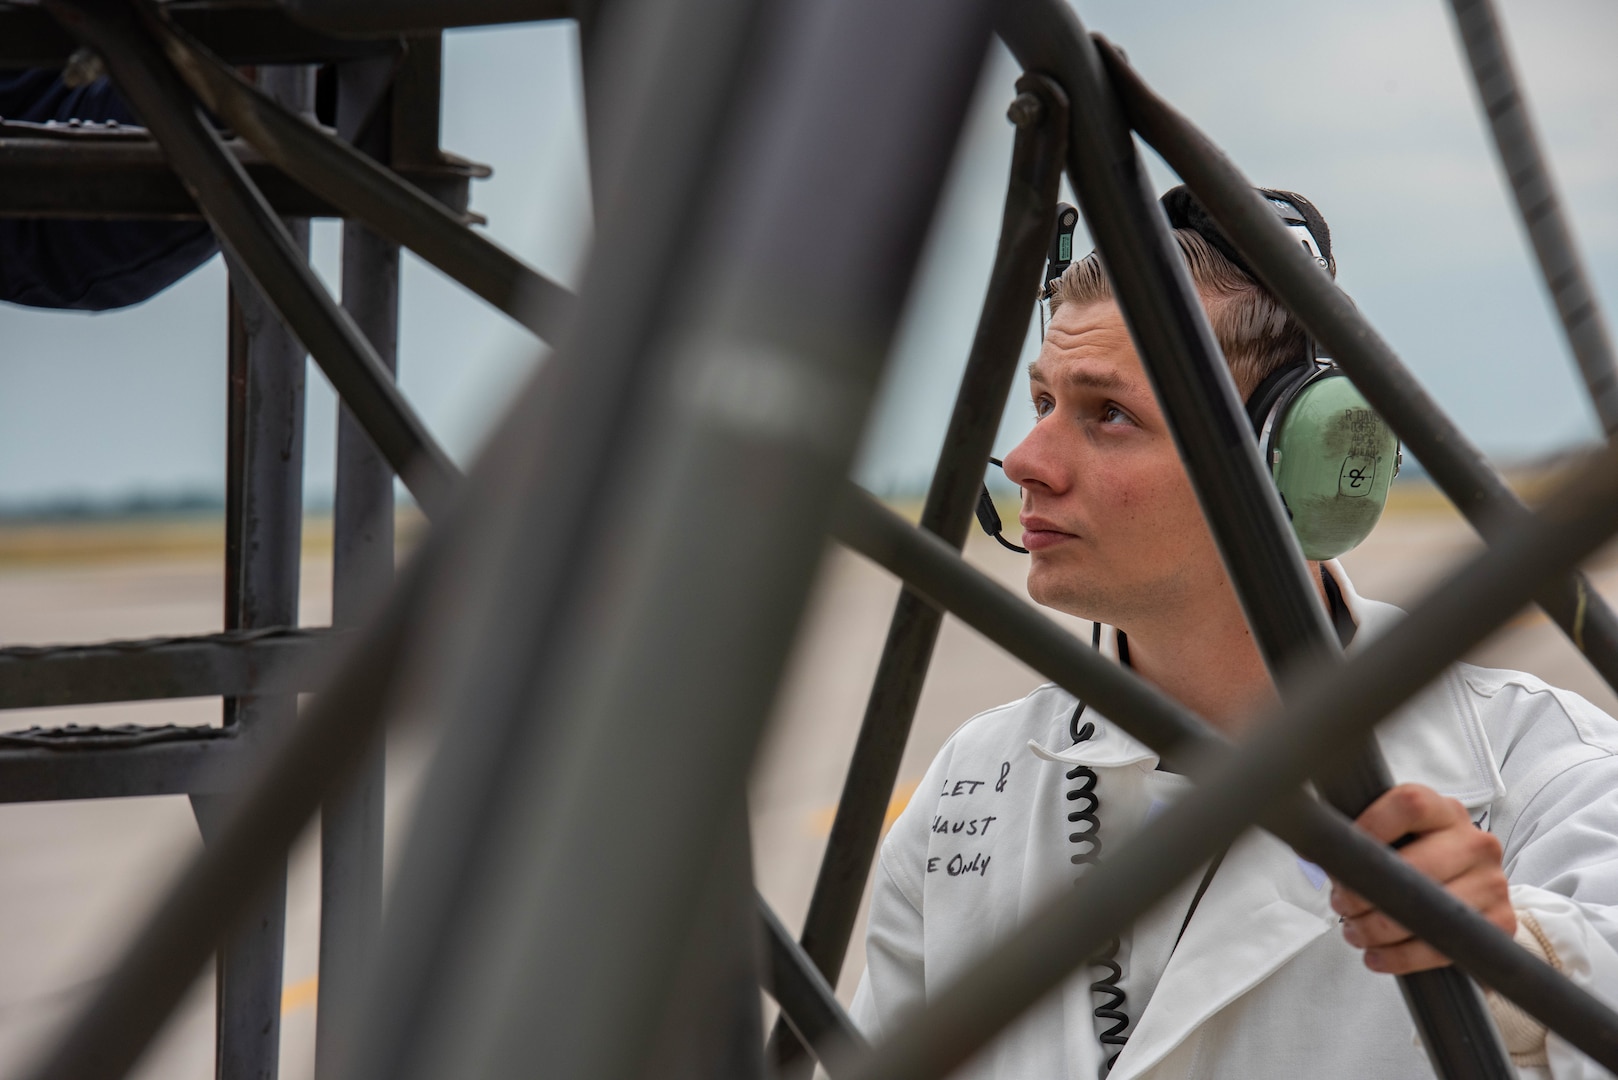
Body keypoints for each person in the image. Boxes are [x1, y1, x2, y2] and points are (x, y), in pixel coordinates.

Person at [848, 188, 1618, 1079]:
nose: (1027, 461)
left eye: (1109, 415)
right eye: (1042, 400)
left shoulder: (1549, 773)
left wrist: (1517, 958)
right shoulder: (969, 788)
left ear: (1301, 462)